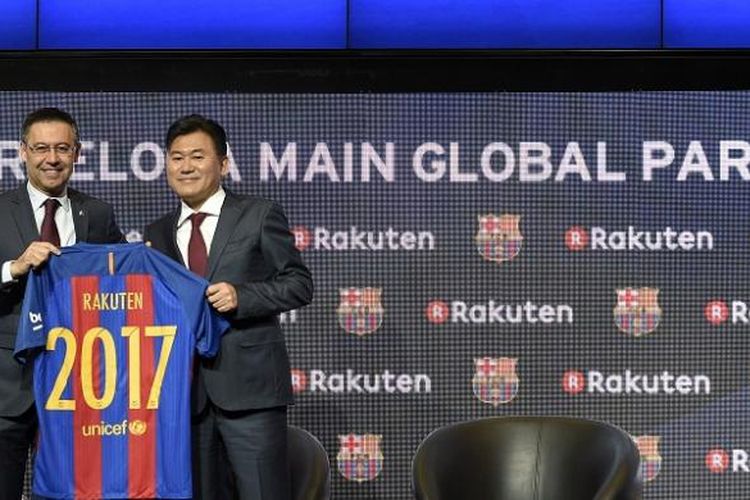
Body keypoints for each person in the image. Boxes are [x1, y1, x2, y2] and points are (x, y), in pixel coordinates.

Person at [144, 114, 313, 500]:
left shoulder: (258, 214)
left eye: (197, 156)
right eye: (176, 157)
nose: (186, 166)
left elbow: (300, 284)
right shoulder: (157, 231)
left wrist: (243, 297)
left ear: (222, 163)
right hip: (184, 397)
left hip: (251, 393)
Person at [0, 107, 124, 498]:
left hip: (81, 384)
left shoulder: (99, 213)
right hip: (8, 387)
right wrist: (14, 267)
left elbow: (120, 280)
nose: (51, 158)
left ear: (77, 152)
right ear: (22, 152)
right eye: (40, 148)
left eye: (61, 148)